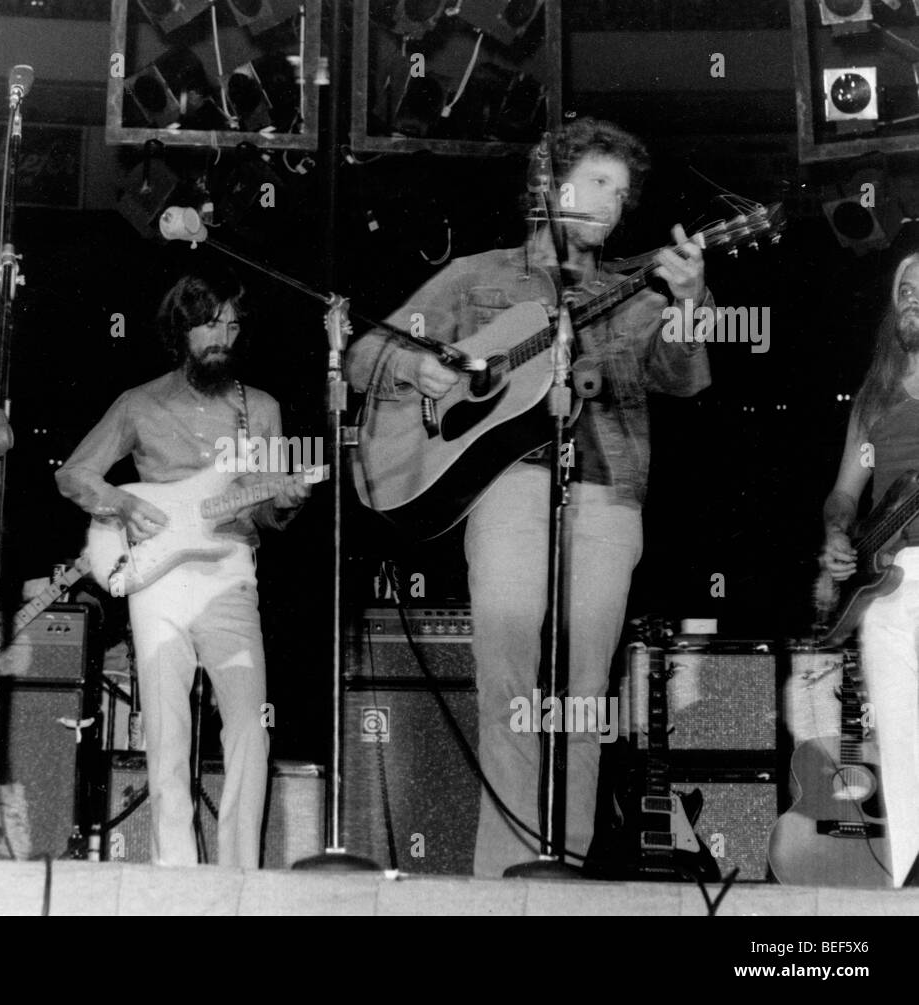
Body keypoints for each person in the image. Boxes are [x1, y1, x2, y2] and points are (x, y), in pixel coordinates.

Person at [345, 118, 712, 876]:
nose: (614, 203)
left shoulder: (635, 290)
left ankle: (563, 874)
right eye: (599, 183)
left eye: (623, 191)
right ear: (552, 185)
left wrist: (690, 299)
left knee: (582, 696)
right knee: (508, 683)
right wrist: (423, 371)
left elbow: (685, 376)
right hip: (510, 487)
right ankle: (503, 878)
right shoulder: (478, 276)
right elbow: (364, 353)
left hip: (609, 495)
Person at [56, 268, 308, 867]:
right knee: (167, 728)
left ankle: (241, 873)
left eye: (231, 323)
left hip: (229, 574)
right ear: (181, 330)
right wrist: (124, 502)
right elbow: (73, 474)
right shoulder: (138, 403)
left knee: (249, 724)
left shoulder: (263, 409)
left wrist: (288, 501)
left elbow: (267, 515)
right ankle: (176, 872)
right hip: (157, 580)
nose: (222, 335)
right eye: (208, 323)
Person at [819, 252, 919, 888]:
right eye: (906, 289)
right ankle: (908, 882)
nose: (913, 298)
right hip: (881, 588)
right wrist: (835, 532)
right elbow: (845, 493)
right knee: (902, 741)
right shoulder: (876, 393)